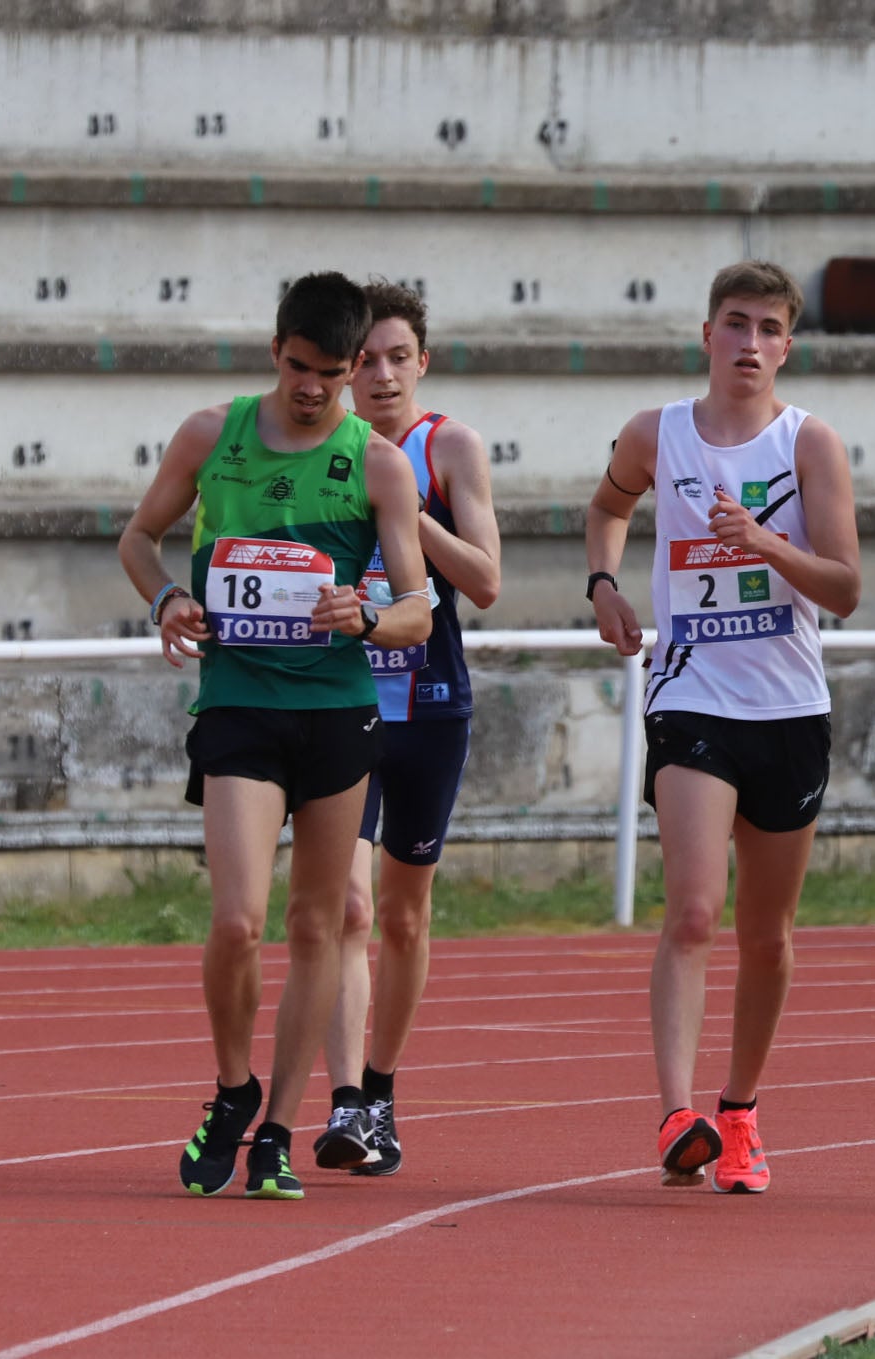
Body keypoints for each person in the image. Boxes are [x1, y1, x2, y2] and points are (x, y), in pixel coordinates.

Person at [118, 271, 432, 1200]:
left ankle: (279, 1131)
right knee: (237, 921)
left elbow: (417, 607)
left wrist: (365, 614)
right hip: (240, 706)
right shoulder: (212, 435)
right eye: (299, 368)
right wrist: (169, 596)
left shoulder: (376, 461)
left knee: (316, 924)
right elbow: (138, 538)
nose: (312, 388)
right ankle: (230, 1086)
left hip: (336, 712)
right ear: (274, 351)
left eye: (331, 375)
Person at [587, 260, 861, 1195]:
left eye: (768, 328)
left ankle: (738, 1110)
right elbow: (607, 504)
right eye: (734, 323)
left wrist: (765, 543)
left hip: (787, 708)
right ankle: (676, 1113)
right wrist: (603, 585)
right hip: (691, 695)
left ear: (787, 345)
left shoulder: (808, 444)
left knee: (767, 932)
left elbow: (847, 589)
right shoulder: (656, 434)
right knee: (695, 909)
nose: (749, 343)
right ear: (706, 333)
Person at [314, 282, 501, 1177]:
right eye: (366, 359)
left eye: (398, 357)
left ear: (422, 363)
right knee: (343, 907)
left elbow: (488, 578)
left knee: (401, 913)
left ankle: (382, 1085)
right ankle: (347, 1101)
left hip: (428, 705)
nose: (381, 374)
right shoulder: (321, 449)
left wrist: (406, 513)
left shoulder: (449, 447)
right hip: (341, 706)